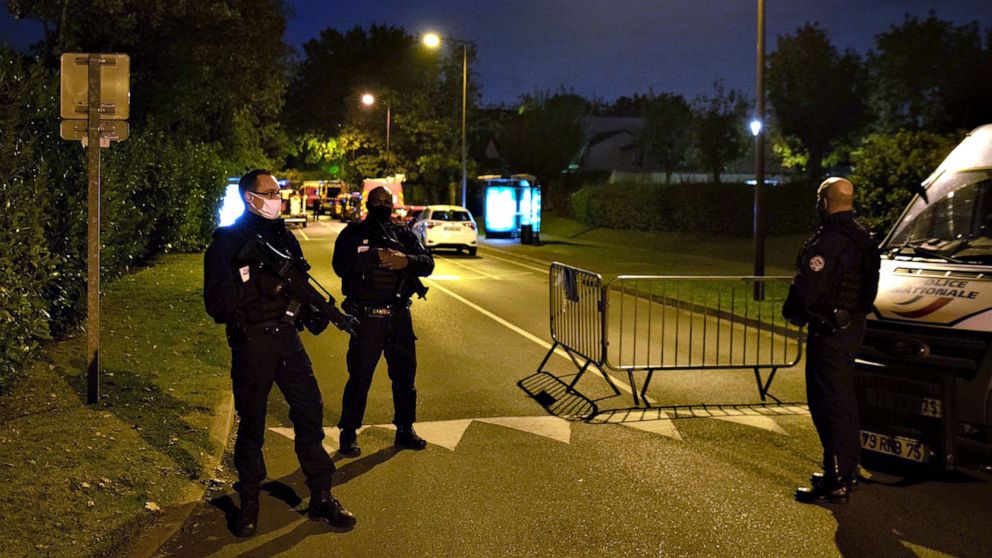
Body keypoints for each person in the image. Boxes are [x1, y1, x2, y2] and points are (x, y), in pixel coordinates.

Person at [203, 169, 356, 536]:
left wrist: (316, 313)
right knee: (252, 424)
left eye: (277, 192)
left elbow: (301, 286)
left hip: (288, 340)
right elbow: (218, 305)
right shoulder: (226, 243)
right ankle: (249, 502)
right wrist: (262, 288)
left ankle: (321, 495)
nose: (277, 198)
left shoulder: (285, 239)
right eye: (269, 192)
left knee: (310, 411)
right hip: (252, 343)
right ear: (249, 197)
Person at [783, 177, 880, 504]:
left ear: (824, 201)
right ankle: (847, 468)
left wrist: (793, 310)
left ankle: (835, 478)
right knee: (844, 399)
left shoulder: (830, 241)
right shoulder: (861, 237)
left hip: (829, 331)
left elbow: (808, 288)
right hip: (852, 327)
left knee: (827, 402)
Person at [332, 186, 434, 456]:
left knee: (404, 377)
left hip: (399, 315)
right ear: (368, 204)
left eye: (386, 202)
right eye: (377, 201)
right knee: (360, 377)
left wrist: (405, 261)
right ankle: (349, 431)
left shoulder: (402, 234)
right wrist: (371, 258)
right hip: (366, 318)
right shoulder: (352, 234)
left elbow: (427, 263)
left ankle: (405, 428)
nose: (382, 206)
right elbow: (339, 266)